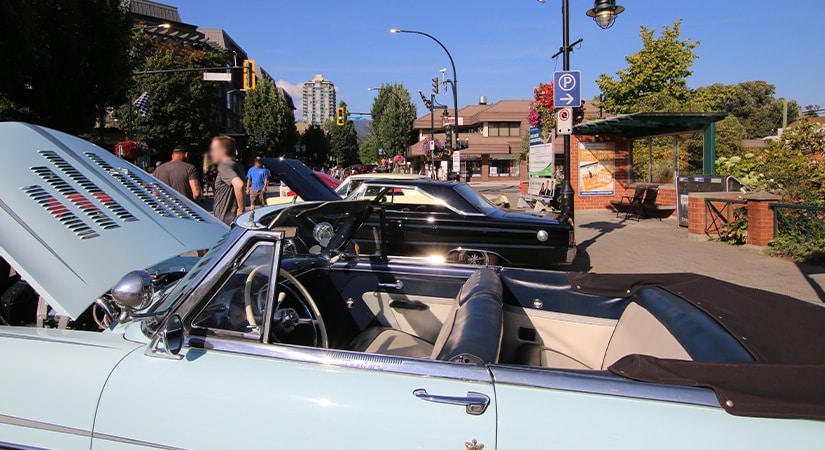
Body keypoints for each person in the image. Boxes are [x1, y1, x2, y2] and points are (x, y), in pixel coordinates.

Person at [209, 136, 245, 225]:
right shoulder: (237, 165)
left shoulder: (224, 166)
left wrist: (241, 209)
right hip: (232, 218)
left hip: (224, 219)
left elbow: (239, 185)